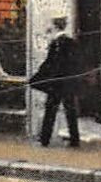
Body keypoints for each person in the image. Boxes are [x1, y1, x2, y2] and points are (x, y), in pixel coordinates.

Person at [30, 16, 81, 148]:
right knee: (70, 111)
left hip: (57, 83)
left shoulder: (56, 43)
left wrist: (38, 77)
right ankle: (75, 140)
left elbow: (50, 63)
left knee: (50, 110)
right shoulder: (72, 42)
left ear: (55, 27)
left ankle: (44, 140)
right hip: (68, 82)